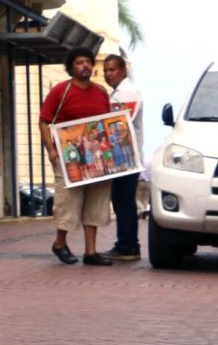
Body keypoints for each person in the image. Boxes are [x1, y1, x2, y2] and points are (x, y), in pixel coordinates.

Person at [41, 48, 114, 266]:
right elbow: (44, 120)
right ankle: (60, 244)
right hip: (68, 156)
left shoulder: (101, 92)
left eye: (88, 62)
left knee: (96, 202)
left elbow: (106, 125)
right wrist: (51, 150)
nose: (85, 66)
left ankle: (90, 253)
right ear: (71, 67)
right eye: (80, 62)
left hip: (97, 158)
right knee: (68, 202)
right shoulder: (61, 91)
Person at [102, 53, 143, 260]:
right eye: (105, 71)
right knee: (121, 201)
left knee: (124, 202)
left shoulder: (127, 92)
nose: (108, 74)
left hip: (126, 158)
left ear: (123, 71)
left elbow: (119, 124)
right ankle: (126, 243)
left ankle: (128, 246)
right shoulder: (119, 92)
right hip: (121, 159)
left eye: (112, 69)